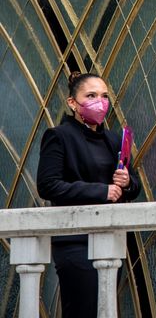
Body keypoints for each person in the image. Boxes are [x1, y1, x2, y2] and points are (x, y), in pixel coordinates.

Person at [37, 72, 141, 318]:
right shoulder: (59, 136)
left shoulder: (114, 139)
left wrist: (127, 183)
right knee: (83, 309)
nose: (100, 101)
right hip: (75, 240)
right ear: (72, 102)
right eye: (91, 95)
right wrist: (101, 191)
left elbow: (132, 187)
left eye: (104, 96)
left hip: (110, 236)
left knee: (105, 310)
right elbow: (48, 186)